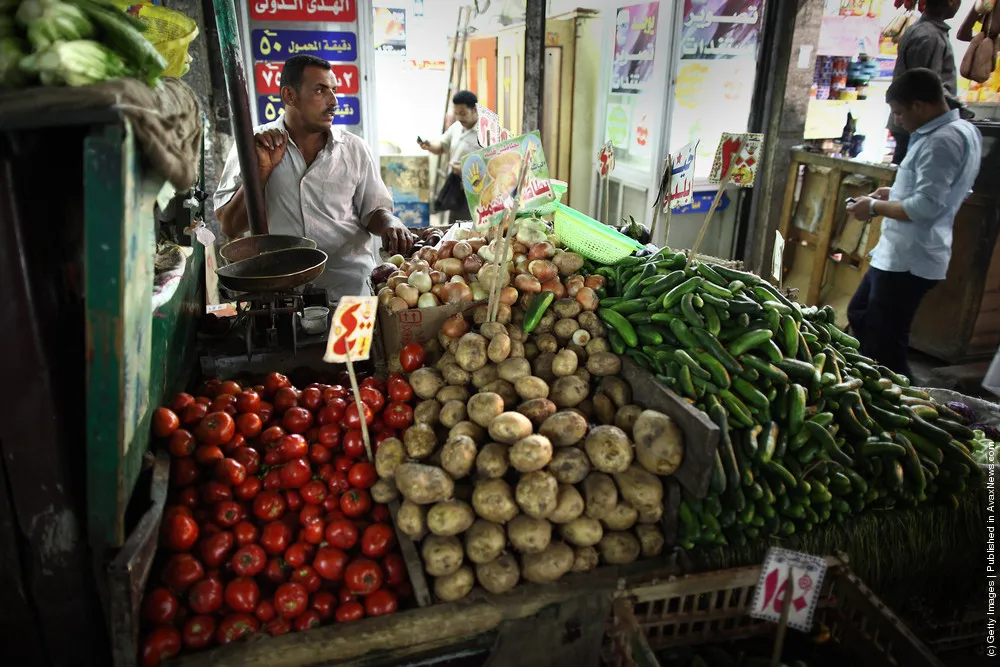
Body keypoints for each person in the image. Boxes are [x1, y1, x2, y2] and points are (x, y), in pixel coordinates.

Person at [215, 54, 413, 302]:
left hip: (349, 293)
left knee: (358, 344)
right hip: (280, 298)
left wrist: (390, 223)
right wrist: (261, 172)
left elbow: (373, 211)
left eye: (334, 90)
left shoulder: (354, 149)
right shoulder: (253, 145)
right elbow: (229, 226)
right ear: (289, 95)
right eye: (320, 90)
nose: (333, 101)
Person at [846, 68, 981, 378]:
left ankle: (900, 403)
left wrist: (874, 207)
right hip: (903, 255)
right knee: (862, 314)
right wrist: (893, 193)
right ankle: (874, 388)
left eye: (899, 112)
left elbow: (926, 206)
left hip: (909, 258)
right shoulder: (961, 131)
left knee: (884, 342)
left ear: (919, 105)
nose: (897, 121)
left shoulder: (941, 142)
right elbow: (940, 191)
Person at [888, 0, 961, 163]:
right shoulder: (930, 36)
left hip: (912, 121)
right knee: (909, 177)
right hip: (916, 123)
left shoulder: (924, 30)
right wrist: (958, 110)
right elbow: (926, 85)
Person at [418, 90, 480, 223]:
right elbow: (442, 146)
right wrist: (429, 145)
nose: (459, 117)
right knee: (455, 227)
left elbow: (495, 164)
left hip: (477, 192)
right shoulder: (456, 127)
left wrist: (466, 169)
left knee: (471, 229)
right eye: (456, 113)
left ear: (474, 109)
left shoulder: (486, 132)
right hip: (457, 187)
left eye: (463, 113)